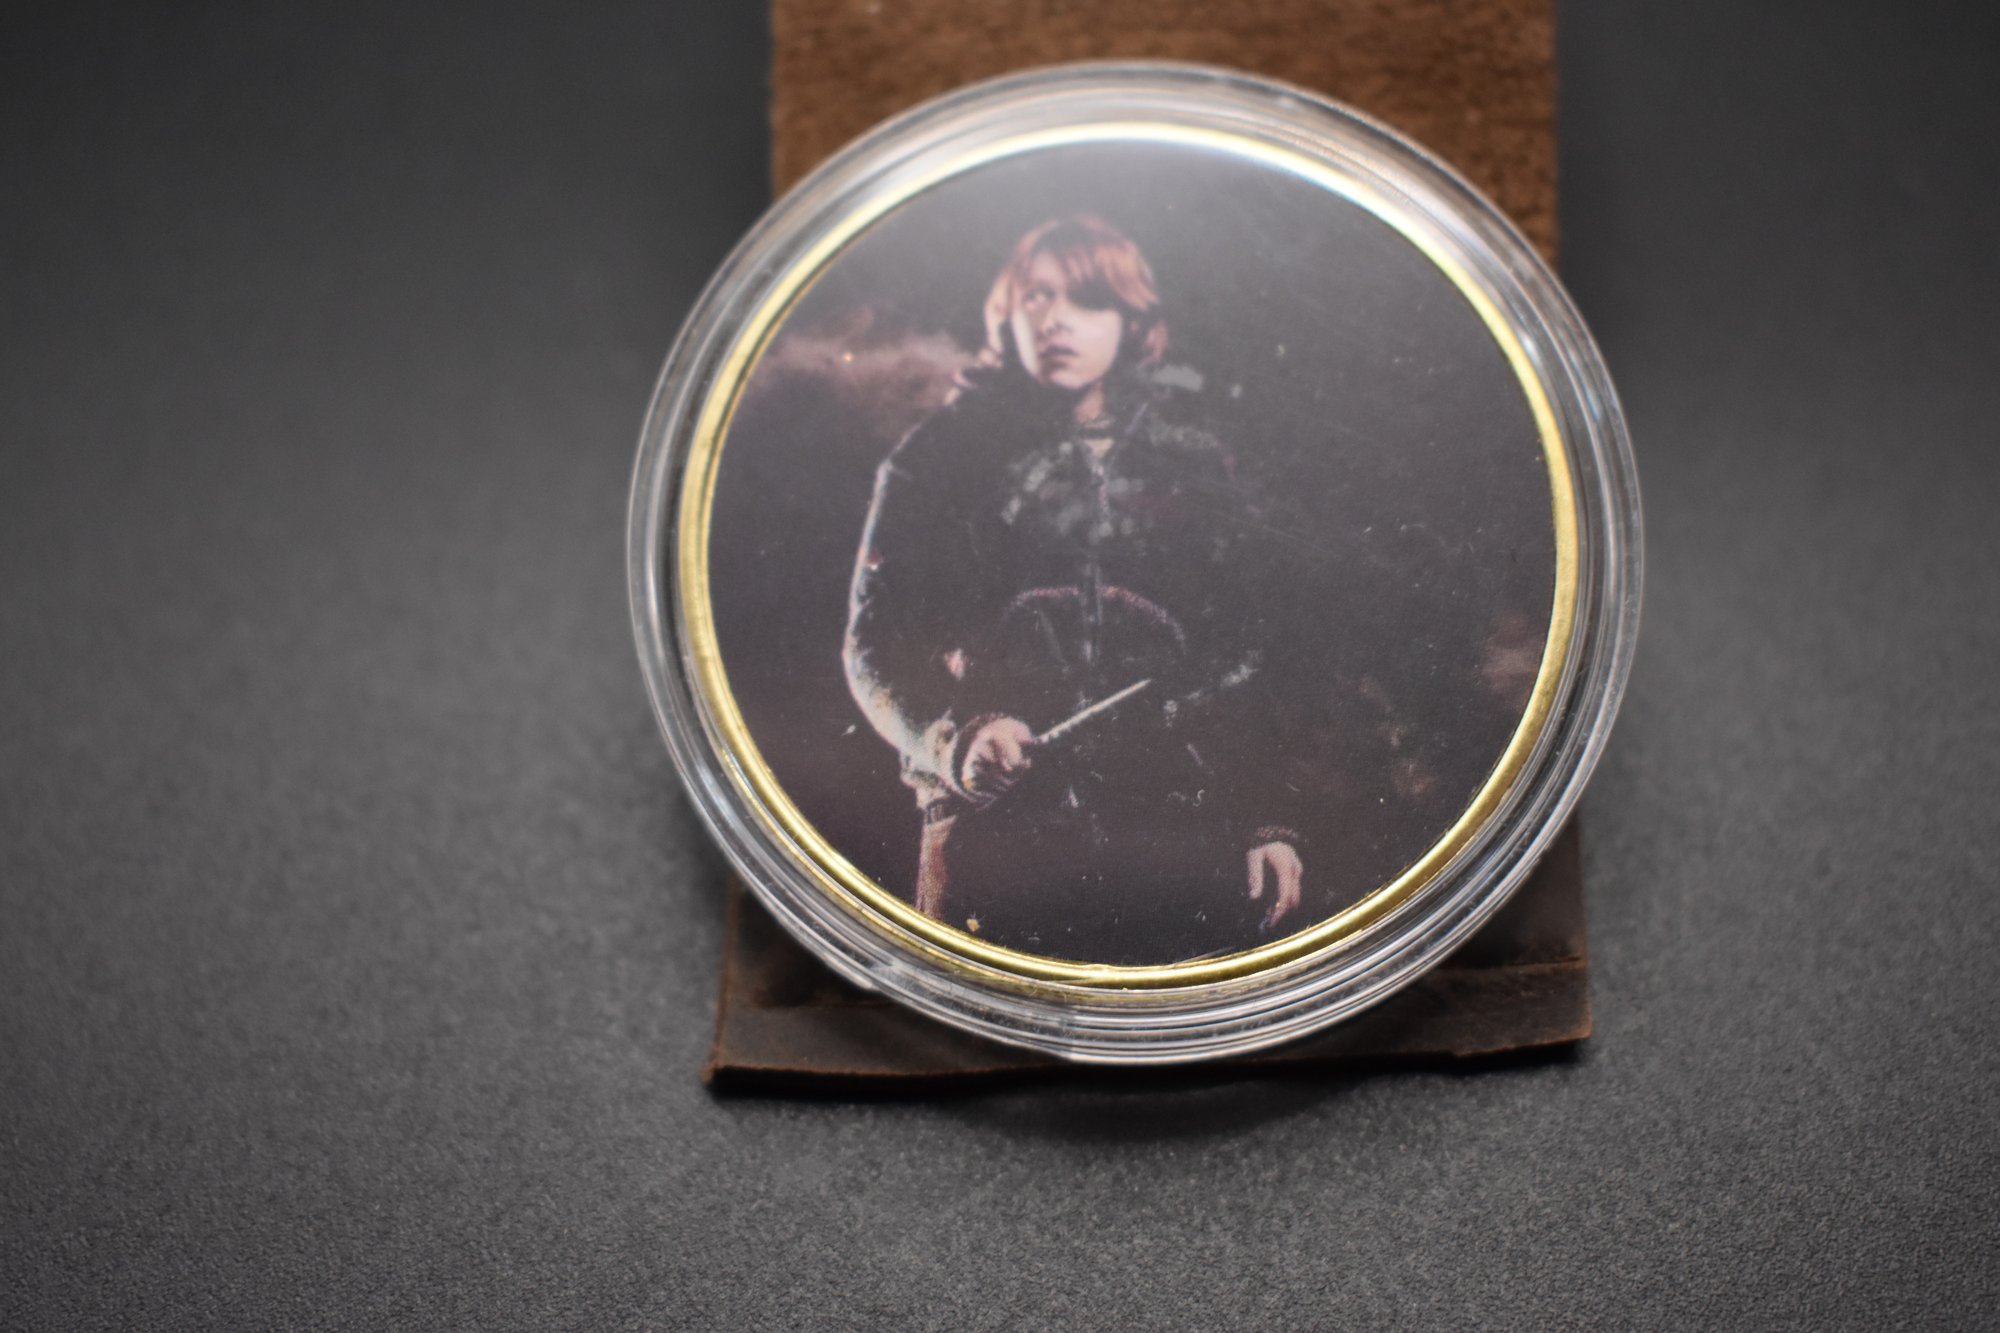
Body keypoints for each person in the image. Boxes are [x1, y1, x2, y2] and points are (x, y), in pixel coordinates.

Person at [842, 215, 1307, 965]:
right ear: (1007, 313)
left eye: (1088, 298)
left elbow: (1245, 653)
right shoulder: (938, 459)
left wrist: (1266, 818)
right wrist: (953, 741)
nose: (1056, 319)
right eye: (1037, 296)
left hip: (1176, 830)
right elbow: (876, 645)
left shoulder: (1194, 463)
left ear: (1132, 319)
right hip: (992, 834)